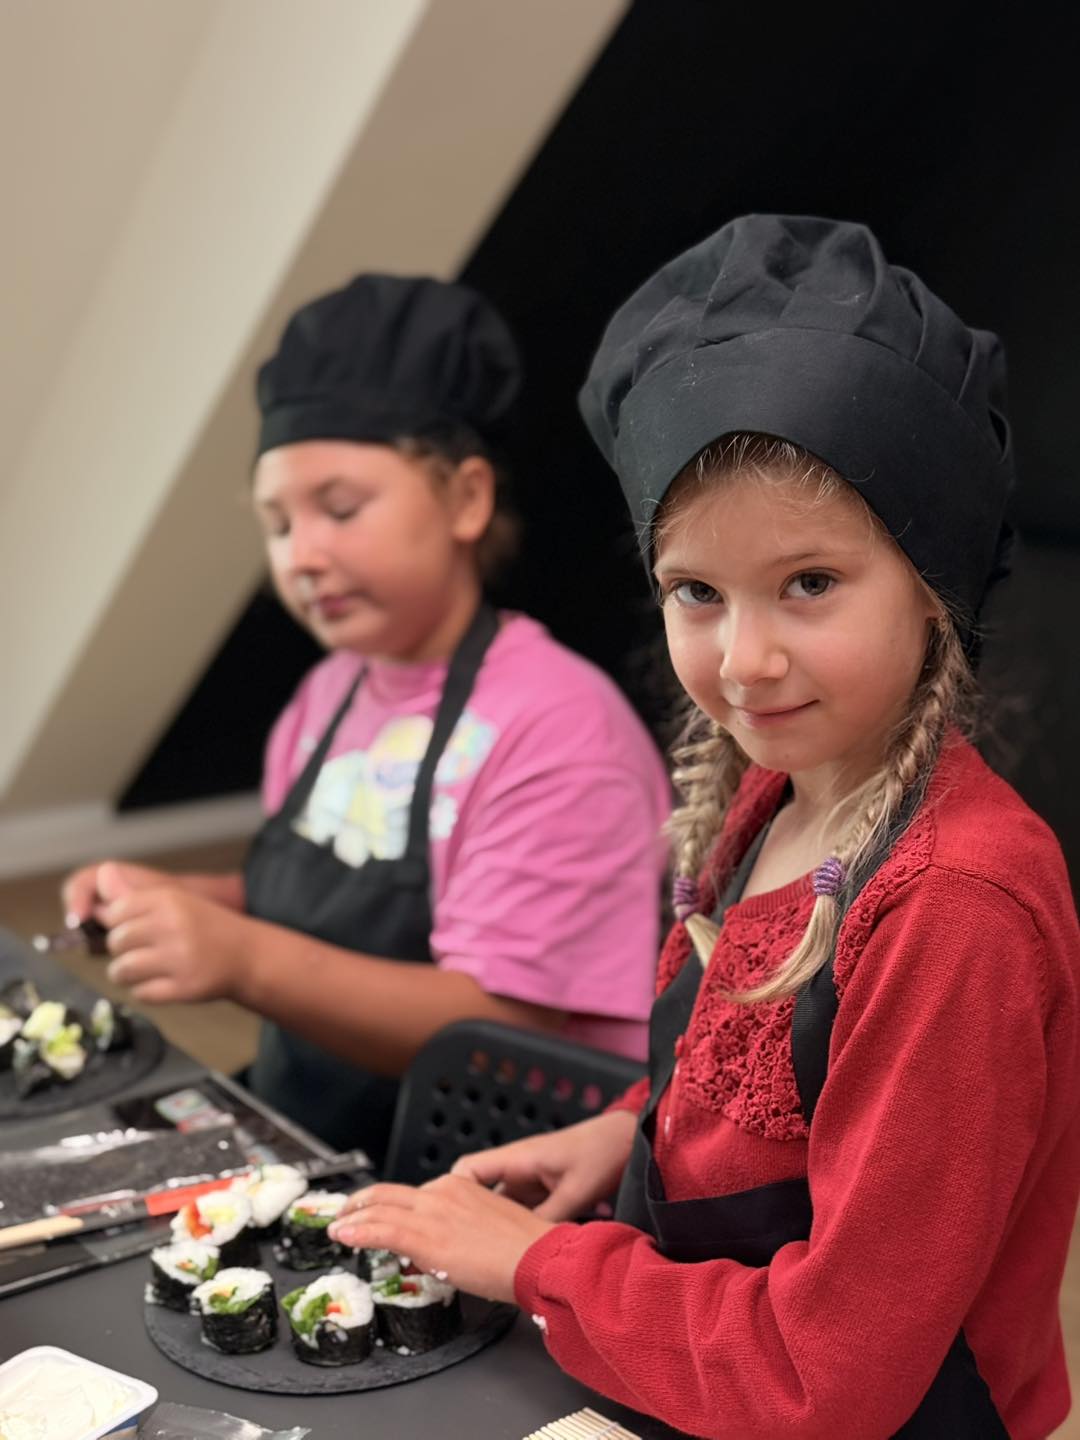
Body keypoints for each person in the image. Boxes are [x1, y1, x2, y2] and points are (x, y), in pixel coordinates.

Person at [327, 217, 1080, 1438]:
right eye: (697, 592)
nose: (744, 661)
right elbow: (769, 1100)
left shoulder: (953, 910)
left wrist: (537, 1264)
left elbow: (834, 1374)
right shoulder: (779, 793)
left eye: (810, 584)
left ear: (934, 585)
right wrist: (628, 1132)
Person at [63, 274, 671, 1165]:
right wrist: (175, 904)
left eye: (341, 509)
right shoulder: (329, 694)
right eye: (277, 524)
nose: (302, 555)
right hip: (310, 1135)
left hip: (474, 1170)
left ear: (466, 500)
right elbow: (313, 910)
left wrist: (242, 958)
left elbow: (504, 1026)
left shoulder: (559, 730)